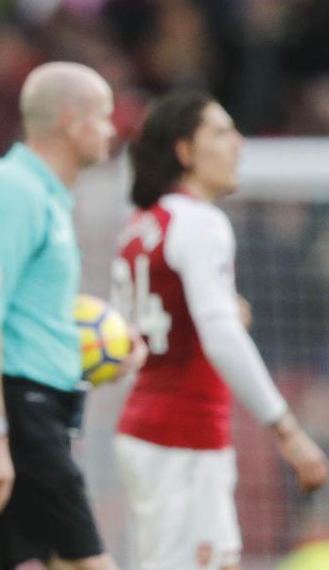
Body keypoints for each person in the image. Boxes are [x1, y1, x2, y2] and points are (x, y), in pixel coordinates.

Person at [0, 62, 140, 570]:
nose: (112, 130)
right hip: (17, 410)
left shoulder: (44, 195)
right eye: (104, 116)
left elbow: (26, 319)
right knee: (86, 562)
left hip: (25, 406)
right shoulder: (13, 189)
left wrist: (102, 353)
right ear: (71, 121)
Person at [113, 92, 328, 570]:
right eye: (221, 132)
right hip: (183, 436)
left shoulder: (140, 225)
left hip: (149, 427)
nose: (239, 144)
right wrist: (287, 430)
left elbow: (136, 334)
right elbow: (220, 337)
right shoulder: (200, 222)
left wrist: (220, 313)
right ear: (185, 151)